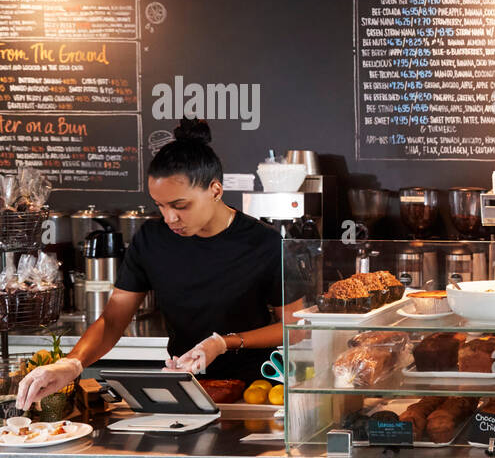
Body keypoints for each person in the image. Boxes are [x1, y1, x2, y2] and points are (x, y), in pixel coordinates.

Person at [16, 119, 303, 410]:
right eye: (160, 206)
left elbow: (295, 326)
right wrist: (71, 364)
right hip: (183, 389)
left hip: (253, 392)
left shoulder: (263, 243)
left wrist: (223, 342)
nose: (169, 218)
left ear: (215, 190)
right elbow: (113, 321)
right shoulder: (151, 240)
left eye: (180, 205)